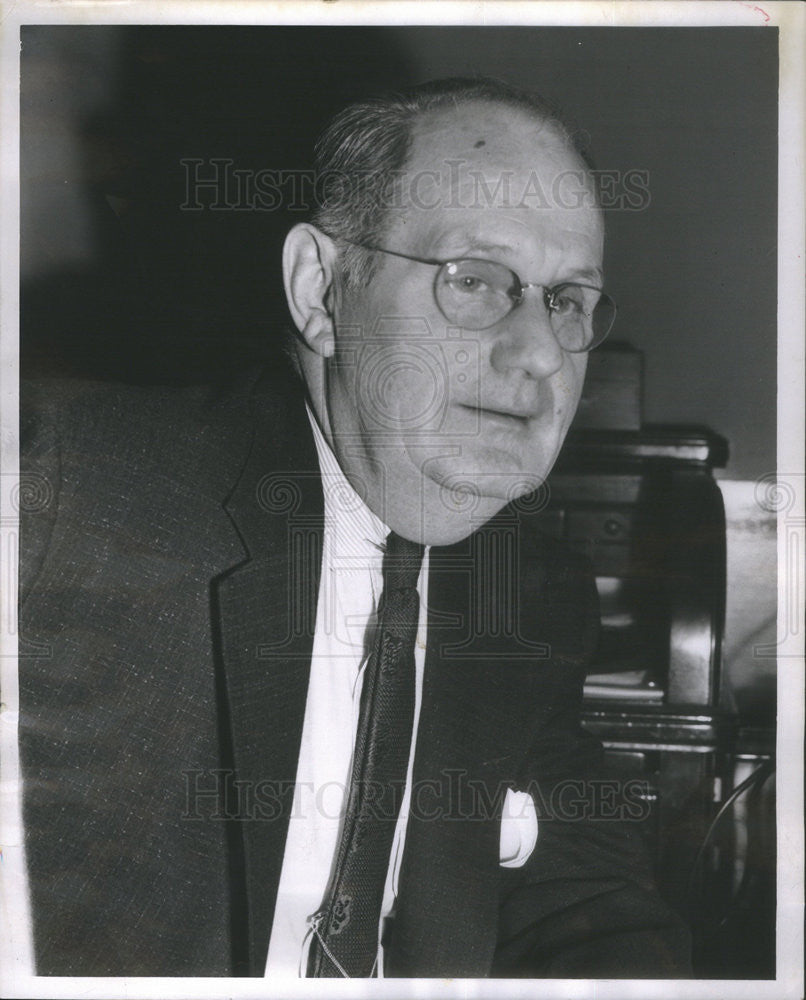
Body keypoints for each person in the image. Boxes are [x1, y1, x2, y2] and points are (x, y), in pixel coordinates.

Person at [18, 77, 691, 978]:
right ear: (321, 291)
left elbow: (583, 896)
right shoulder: (62, 499)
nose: (538, 353)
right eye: (475, 281)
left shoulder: (536, 596)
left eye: (567, 300)